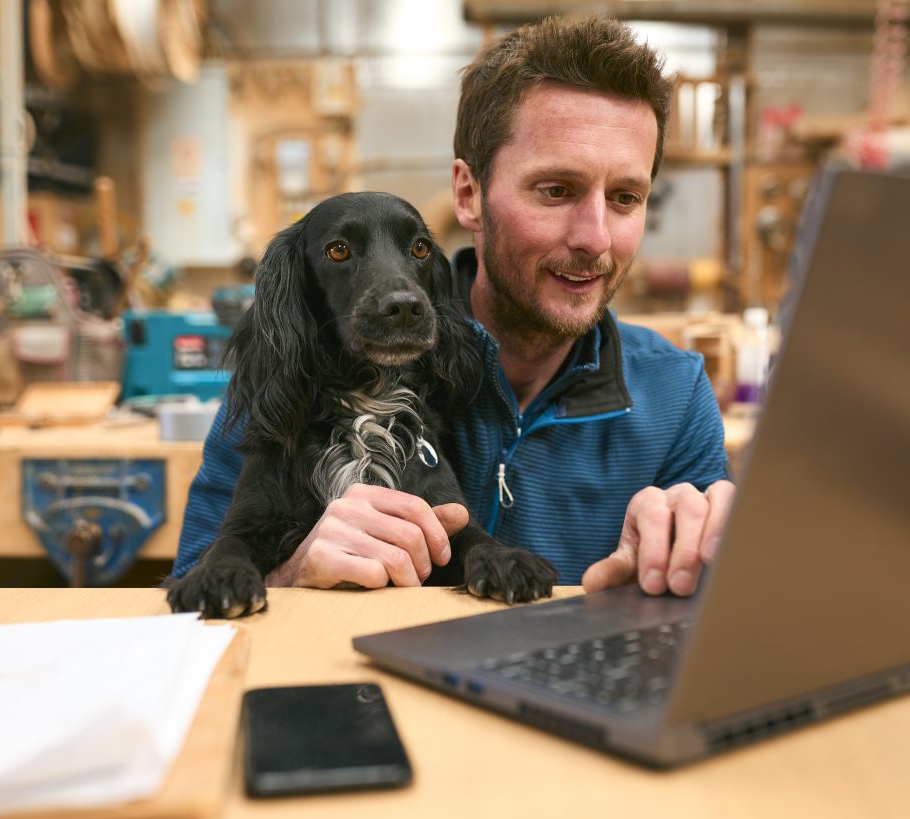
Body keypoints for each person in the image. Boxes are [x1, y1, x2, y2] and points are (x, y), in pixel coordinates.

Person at [171, 15, 735, 597]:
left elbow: (727, 611)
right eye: (556, 190)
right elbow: (186, 606)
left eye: (625, 197)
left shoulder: (676, 394)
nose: (595, 237)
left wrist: (706, 562)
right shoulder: (295, 367)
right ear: (468, 194)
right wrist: (292, 576)